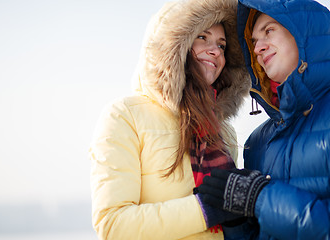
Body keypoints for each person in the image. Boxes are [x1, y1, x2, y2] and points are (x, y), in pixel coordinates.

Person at [89, 0, 251, 239]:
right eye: (202, 37)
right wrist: (206, 209)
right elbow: (113, 224)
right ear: (175, 45)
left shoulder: (224, 133)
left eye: (222, 45)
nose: (215, 51)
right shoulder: (125, 116)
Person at [197, 0, 330, 239]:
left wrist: (260, 198)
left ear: (303, 33)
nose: (258, 48)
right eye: (254, 42)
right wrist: (237, 219)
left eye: (269, 31)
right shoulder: (257, 142)